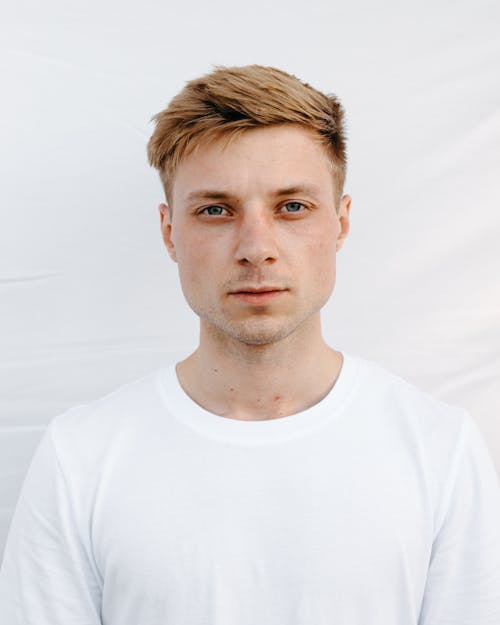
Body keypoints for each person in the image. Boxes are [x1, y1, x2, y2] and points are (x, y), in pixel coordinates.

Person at [1, 64, 499, 625]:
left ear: (341, 222)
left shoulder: (439, 449)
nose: (256, 248)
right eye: (216, 210)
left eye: (292, 207)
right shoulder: (82, 457)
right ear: (170, 232)